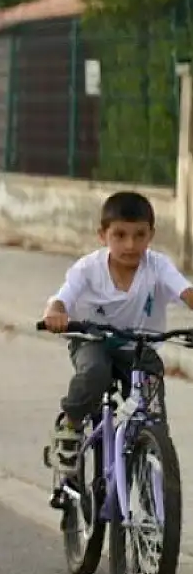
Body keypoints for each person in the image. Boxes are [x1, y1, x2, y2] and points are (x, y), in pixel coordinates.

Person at [42, 191, 193, 473]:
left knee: (151, 404)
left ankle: (152, 456)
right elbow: (62, 298)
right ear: (103, 235)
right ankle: (71, 426)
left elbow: (186, 292)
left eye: (140, 235)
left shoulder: (158, 266)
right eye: (120, 235)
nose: (130, 244)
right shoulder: (88, 269)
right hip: (92, 340)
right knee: (95, 372)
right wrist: (56, 313)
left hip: (137, 346)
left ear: (151, 235)